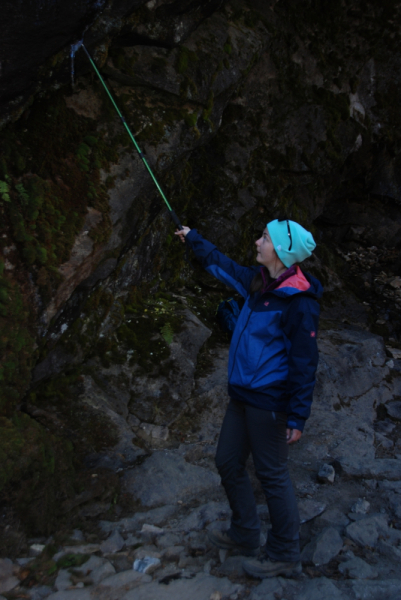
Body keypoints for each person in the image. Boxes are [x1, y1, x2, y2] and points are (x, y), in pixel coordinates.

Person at [175, 218, 322, 579]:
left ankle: (285, 551)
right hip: (240, 395)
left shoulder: (298, 302)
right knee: (226, 460)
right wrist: (194, 238)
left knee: (272, 475)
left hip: (269, 402)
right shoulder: (259, 283)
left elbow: (305, 363)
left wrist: (297, 416)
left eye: (265, 238)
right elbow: (222, 266)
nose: (257, 242)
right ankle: (244, 532)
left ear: (282, 252)